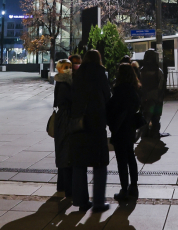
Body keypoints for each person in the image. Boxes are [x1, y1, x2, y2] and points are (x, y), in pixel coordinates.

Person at [69, 49, 112, 212]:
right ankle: (99, 202)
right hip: (96, 122)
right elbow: (107, 96)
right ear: (98, 59)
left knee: (79, 163)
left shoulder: (78, 74)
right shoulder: (100, 73)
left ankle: (81, 201)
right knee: (100, 163)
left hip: (79, 123)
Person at [107, 63, 142, 200]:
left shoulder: (119, 90)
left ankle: (124, 189)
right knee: (130, 157)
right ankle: (134, 187)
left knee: (121, 160)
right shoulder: (135, 89)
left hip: (120, 128)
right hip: (130, 127)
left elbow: (112, 108)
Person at [53, 59, 74, 198]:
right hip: (66, 119)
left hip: (62, 119)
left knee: (62, 151)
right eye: (65, 67)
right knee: (66, 152)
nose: (68, 69)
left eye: (70, 66)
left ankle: (61, 184)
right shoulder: (65, 83)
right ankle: (67, 187)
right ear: (60, 69)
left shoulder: (62, 82)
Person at [139, 49, 166, 139]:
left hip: (144, 97)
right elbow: (161, 86)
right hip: (156, 97)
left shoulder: (141, 71)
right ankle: (155, 133)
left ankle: (144, 133)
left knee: (145, 116)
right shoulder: (158, 71)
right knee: (156, 117)